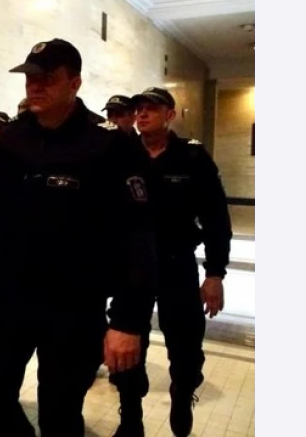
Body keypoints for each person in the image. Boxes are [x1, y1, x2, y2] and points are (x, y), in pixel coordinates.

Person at [0, 39, 157, 436]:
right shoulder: (12, 139)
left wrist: (128, 321)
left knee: (60, 414)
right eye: (30, 78)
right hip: (9, 298)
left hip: (73, 305)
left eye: (47, 78)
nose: (35, 86)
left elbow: (140, 235)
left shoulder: (109, 144)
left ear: (75, 83)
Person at [110, 87, 232, 437]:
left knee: (186, 343)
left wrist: (215, 274)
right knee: (127, 338)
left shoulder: (192, 157)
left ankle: (182, 392)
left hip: (176, 263)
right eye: (139, 108)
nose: (143, 114)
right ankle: (130, 418)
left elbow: (215, 218)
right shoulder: (122, 154)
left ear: (170, 115)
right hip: (131, 268)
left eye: (152, 108)